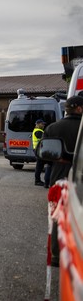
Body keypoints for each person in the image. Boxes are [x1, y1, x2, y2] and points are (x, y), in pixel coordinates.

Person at [43, 95, 83, 268]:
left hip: (59, 178)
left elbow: (43, 155)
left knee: (59, 217)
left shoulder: (53, 128)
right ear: (80, 109)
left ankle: (57, 256)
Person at [32, 119, 46, 186]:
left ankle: (38, 180)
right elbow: (44, 140)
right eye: (42, 124)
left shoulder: (39, 131)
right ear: (38, 124)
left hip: (38, 150)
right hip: (38, 150)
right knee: (39, 166)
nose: (43, 125)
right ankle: (37, 181)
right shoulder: (38, 131)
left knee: (40, 165)